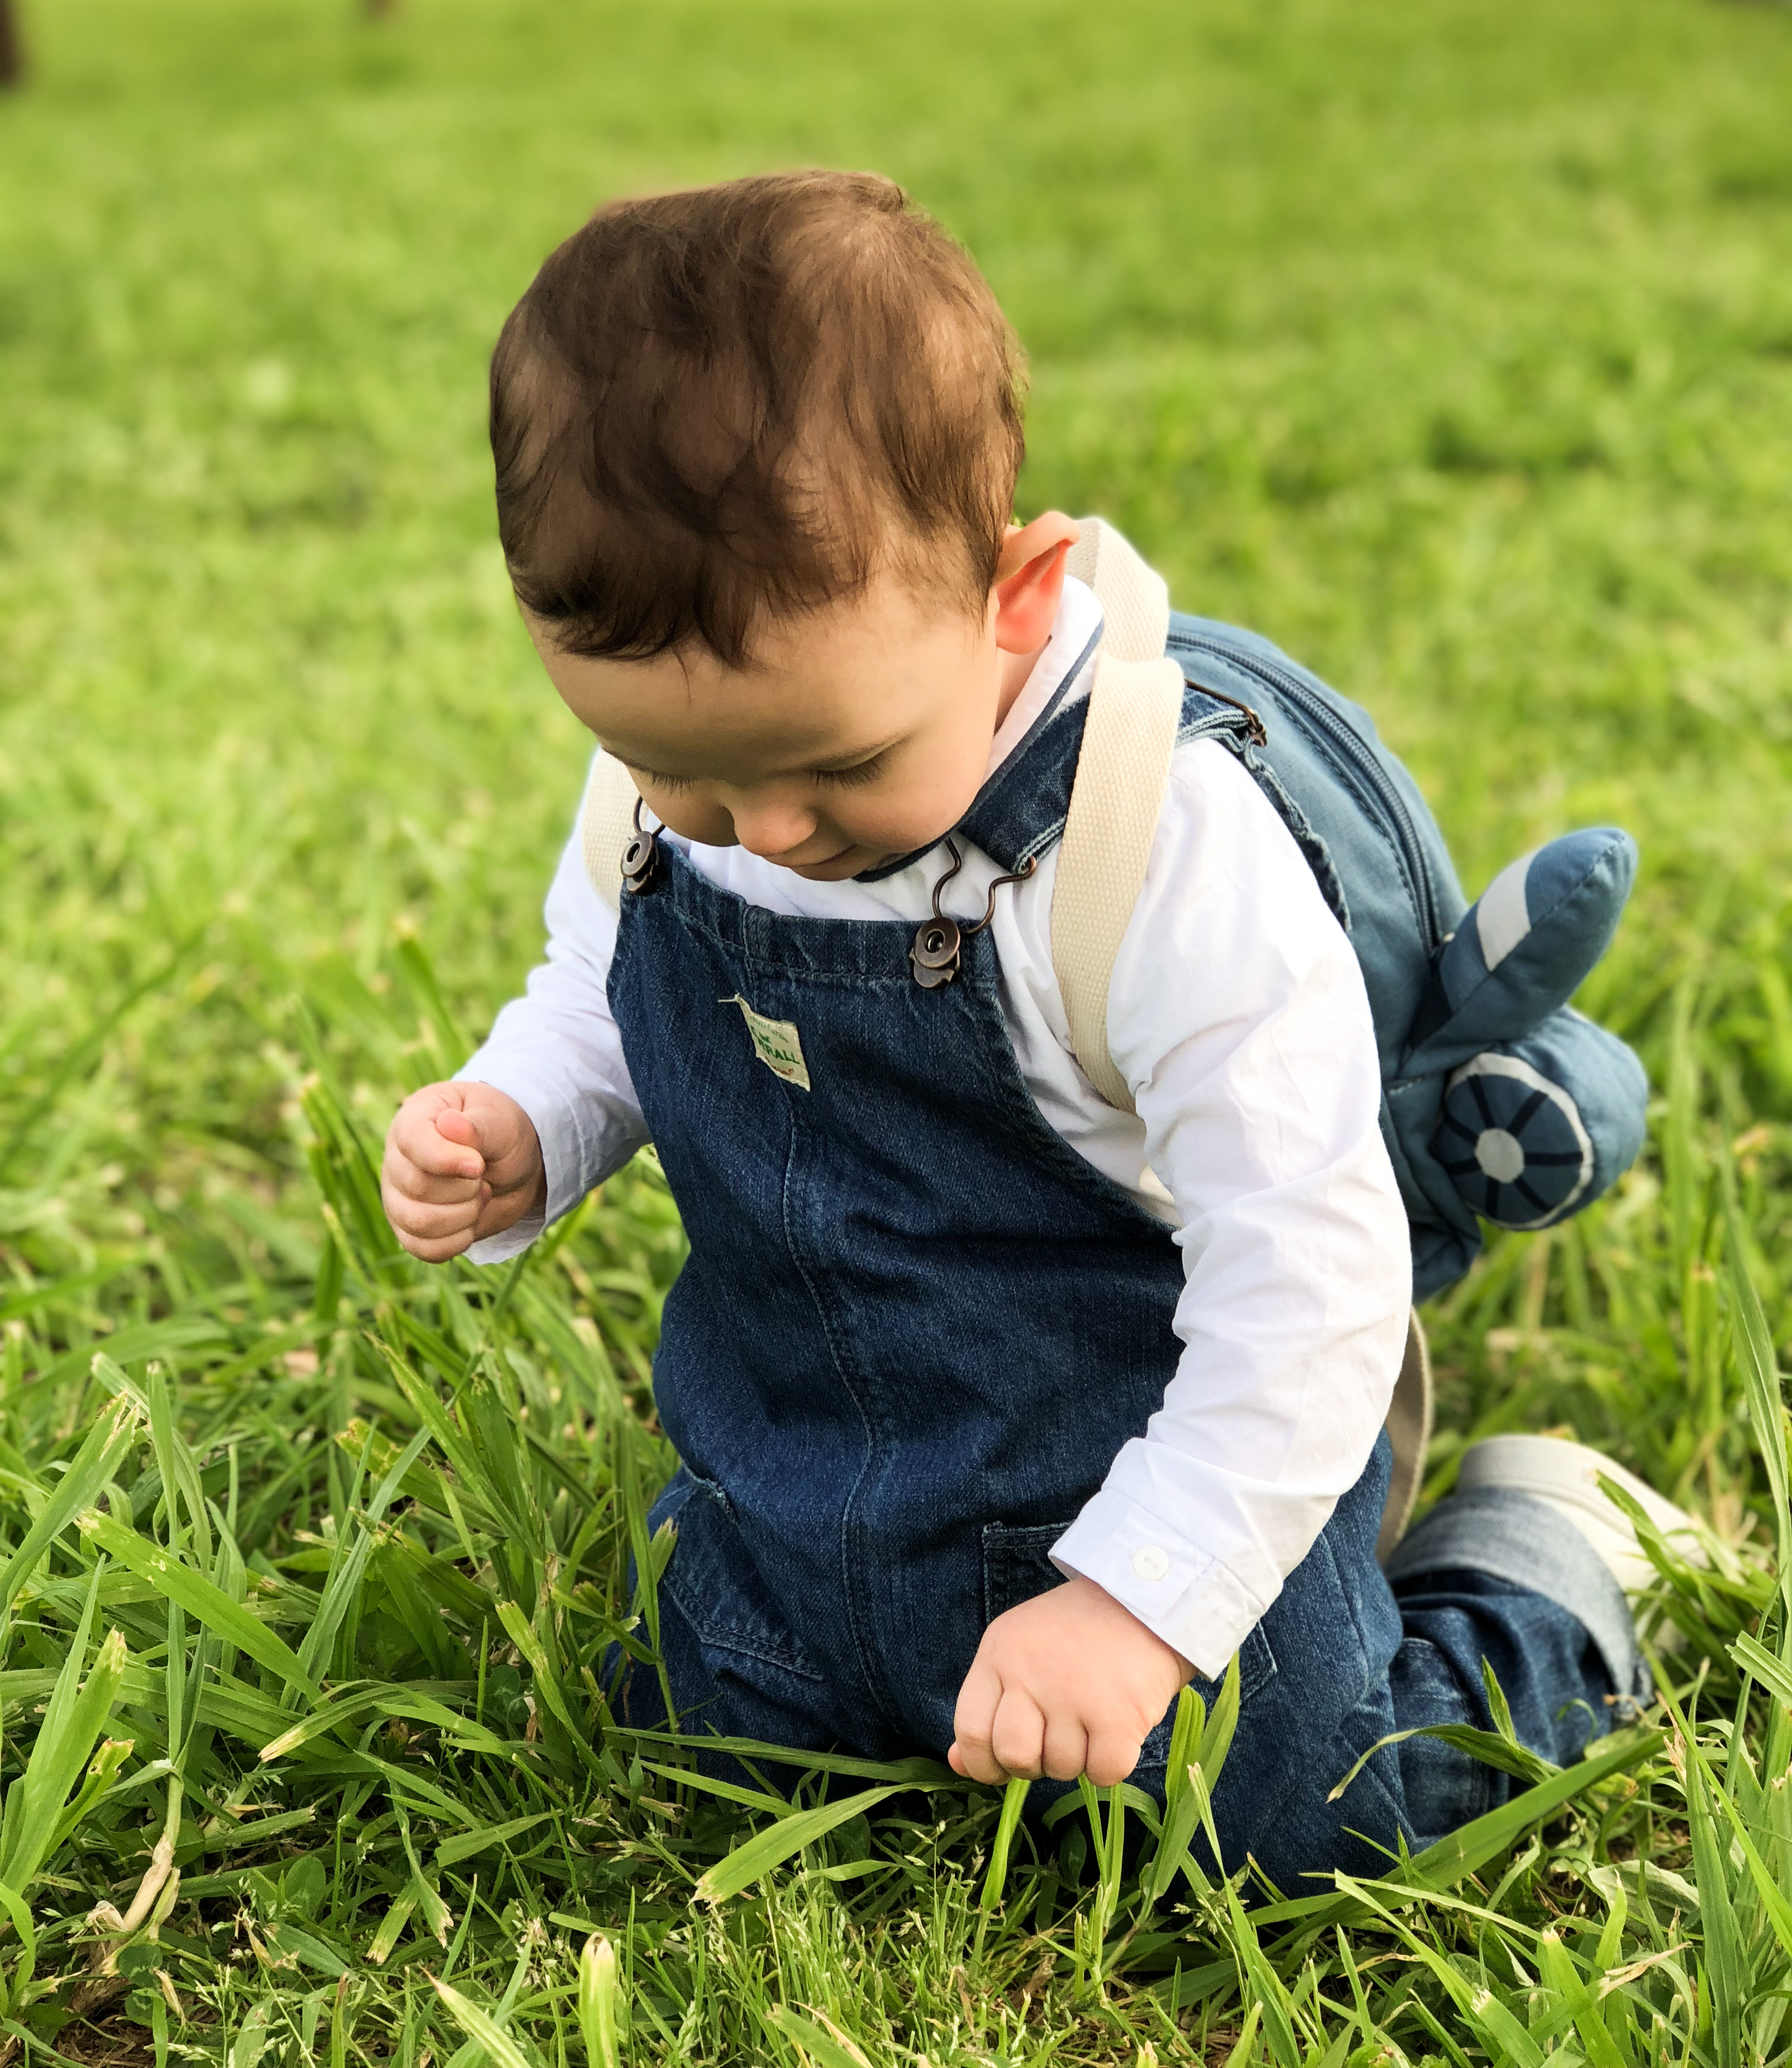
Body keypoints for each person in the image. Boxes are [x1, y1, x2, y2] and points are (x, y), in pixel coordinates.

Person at [380, 171, 1686, 1890]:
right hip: (809, 1461)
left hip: (1158, 1458)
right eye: (676, 771)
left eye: (839, 766)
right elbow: (602, 990)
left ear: (1014, 593)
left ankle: (1545, 1555)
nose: (758, 830)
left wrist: (1141, 1602)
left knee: (1322, 1821)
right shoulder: (677, 793)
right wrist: (526, 1116)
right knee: (696, 1729)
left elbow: (1308, 1271)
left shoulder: (1154, 851)